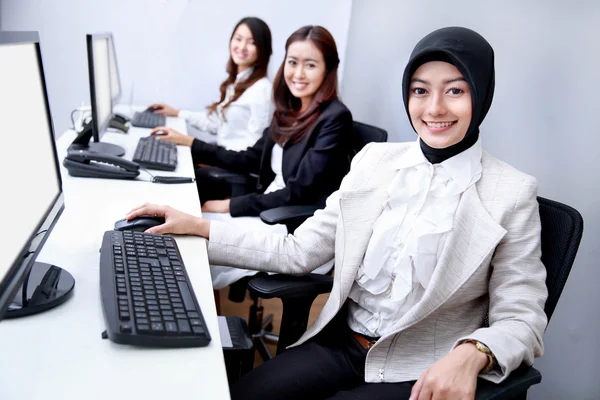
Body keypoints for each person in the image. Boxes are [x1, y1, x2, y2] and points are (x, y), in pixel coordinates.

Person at [127, 26, 548, 400]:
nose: (434, 108)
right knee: (240, 393)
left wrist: (473, 354)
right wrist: (199, 229)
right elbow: (299, 251)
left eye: (455, 90)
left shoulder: (510, 192)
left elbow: (522, 317)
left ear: (482, 92)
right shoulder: (375, 162)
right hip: (342, 345)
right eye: (420, 90)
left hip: (420, 370)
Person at [146, 25, 353, 290]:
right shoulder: (289, 109)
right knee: (182, 231)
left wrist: (231, 205)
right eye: (292, 62)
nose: (298, 74)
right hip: (268, 210)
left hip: (291, 226)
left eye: (310, 65)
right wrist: (192, 144)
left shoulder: (334, 119)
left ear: (328, 69)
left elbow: (298, 193)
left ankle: (184, 317)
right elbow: (250, 158)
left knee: (190, 244)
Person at [147, 16, 273, 151]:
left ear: (263, 50)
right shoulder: (236, 83)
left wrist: (189, 141)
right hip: (225, 159)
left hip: (236, 166)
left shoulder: (262, 90)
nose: (242, 47)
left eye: (251, 42)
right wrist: (177, 113)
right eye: (238, 39)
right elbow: (216, 124)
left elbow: (255, 155)